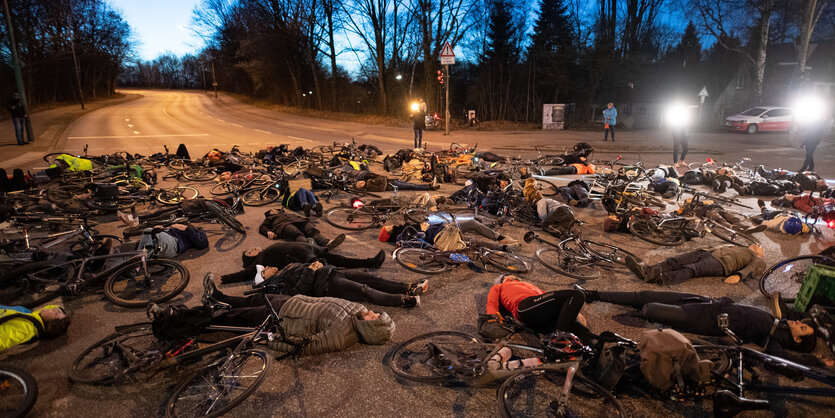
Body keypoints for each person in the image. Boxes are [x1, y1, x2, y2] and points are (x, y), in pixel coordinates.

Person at [577, 288, 826, 367]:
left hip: (698, 319)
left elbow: (783, 360)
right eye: (802, 325)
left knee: (650, 307)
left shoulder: (773, 339)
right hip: (700, 302)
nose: (797, 324)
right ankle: (594, 294)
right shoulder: (779, 321)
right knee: (643, 295)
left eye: (802, 330)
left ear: (796, 340)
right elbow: (787, 305)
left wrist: (815, 362)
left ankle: (645, 316)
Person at [192, 275, 394, 355]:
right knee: (250, 300)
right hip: (291, 302)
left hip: (282, 319)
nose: (373, 312)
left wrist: (271, 340)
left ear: (370, 329)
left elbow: (304, 346)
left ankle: (190, 319)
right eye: (377, 312)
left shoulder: (342, 336)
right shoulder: (357, 311)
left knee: (238, 316)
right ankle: (217, 296)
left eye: (375, 317)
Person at [212, 260, 424, 307]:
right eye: (264, 270)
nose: (268, 267)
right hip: (326, 285)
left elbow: (307, 269)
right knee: (364, 291)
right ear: (265, 277)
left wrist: (315, 264)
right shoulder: (278, 284)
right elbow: (299, 292)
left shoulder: (285, 269)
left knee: (372, 279)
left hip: (330, 272)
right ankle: (403, 300)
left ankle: (408, 286)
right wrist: (310, 270)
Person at [485, 274, 595, 345]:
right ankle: (559, 338)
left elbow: (549, 298)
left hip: (541, 314)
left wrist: (573, 310)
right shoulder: (498, 287)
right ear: (503, 279)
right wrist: (493, 319)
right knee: (576, 295)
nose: (512, 275)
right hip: (525, 306)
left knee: (581, 332)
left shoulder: (528, 285)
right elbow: (492, 303)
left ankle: (596, 361)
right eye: (507, 275)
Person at [218, 238, 386, 284]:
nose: (253, 248)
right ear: (251, 257)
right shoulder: (260, 262)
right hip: (299, 256)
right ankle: (359, 276)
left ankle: (369, 262)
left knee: (339, 259)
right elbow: (245, 273)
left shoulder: (265, 249)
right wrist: (226, 279)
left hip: (308, 248)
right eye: (249, 252)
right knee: (328, 270)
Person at [624, 244, 766, 285]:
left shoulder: (756, 258)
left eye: (761, 248)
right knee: (676, 260)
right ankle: (648, 270)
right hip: (708, 252)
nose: (759, 245)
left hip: (721, 263)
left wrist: (739, 276)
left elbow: (751, 269)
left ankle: (658, 278)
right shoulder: (742, 247)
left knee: (691, 269)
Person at [379, 219, 520, 251]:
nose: (390, 225)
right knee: (472, 225)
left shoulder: (402, 230)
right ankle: (502, 241)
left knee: (473, 241)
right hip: (441, 234)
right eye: (388, 228)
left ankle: (505, 247)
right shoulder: (400, 236)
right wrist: (421, 230)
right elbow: (413, 240)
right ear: (389, 234)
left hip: (441, 232)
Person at [1, 304, 70, 352]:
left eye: (56, 314)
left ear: (50, 323)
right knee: (25, 310)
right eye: (57, 310)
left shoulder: (26, 328)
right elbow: (50, 307)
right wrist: (59, 309)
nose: (54, 309)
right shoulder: (39, 317)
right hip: (9, 314)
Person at [259, 208, 333, 246]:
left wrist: (312, 225)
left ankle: (326, 243)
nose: (273, 210)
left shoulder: (288, 214)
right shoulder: (270, 218)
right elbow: (262, 227)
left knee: (312, 230)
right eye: (271, 211)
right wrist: (268, 232)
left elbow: (303, 218)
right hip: (284, 225)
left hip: (300, 222)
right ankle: (308, 248)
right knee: (297, 234)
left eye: (274, 209)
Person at [136, 224, 209, 258]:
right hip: (167, 241)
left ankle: (138, 261)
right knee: (136, 245)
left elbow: (202, 243)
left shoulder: (196, 231)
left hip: (174, 243)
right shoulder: (175, 228)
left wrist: (186, 228)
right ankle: (130, 264)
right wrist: (162, 228)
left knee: (148, 231)